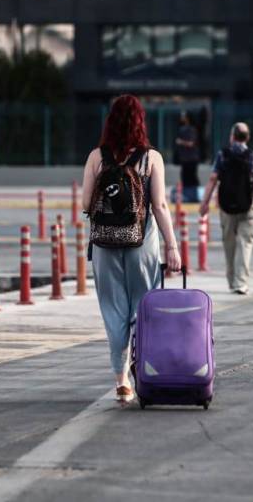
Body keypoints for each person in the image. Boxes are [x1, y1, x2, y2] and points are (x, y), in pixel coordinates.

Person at [81, 94, 182, 404]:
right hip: (143, 243)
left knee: (113, 310)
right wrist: (172, 246)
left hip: (104, 245)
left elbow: (86, 204)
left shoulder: (97, 157)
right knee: (142, 307)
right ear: (141, 122)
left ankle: (120, 379)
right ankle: (144, 367)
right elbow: (160, 205)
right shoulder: (152, 158)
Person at [199, 122, 253, 295]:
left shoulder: (222, 155)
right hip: (249, 206)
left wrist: (205, 203)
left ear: (232, 136)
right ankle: (241, 283)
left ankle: (231, 281)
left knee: (229, 244)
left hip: (226, 206)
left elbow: (212, 180)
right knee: (245, 244)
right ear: (247, 138)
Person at [175, 111, 201, 202]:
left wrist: (180, 142)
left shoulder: (191, 129)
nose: (182, 118)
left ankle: (193, 197)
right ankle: (187, 196)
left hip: (191, 158)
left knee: (192, 178)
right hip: (185, 159)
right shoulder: (182, 128)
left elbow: (191, 143)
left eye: (183, 116)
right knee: (185, 177)